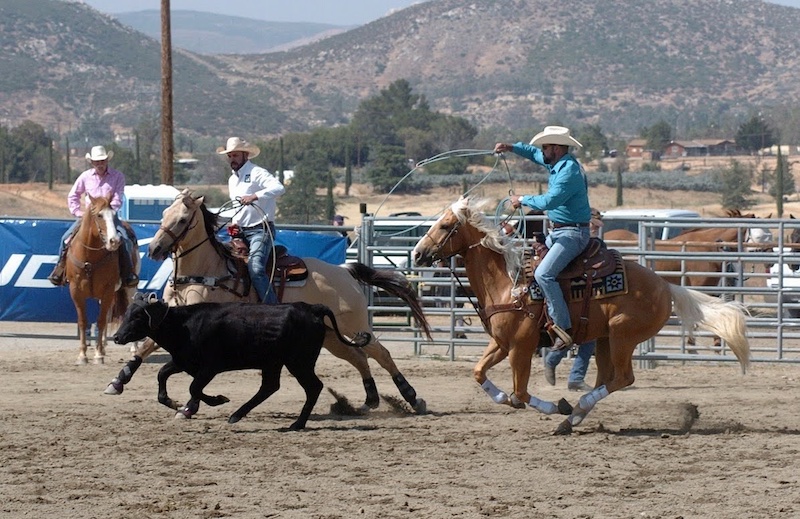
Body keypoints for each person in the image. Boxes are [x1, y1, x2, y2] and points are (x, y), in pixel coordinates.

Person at [494, 125, 591, 351]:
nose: (542, 150)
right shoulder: (558, 163)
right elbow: (533, 153)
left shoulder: (569, 172)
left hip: (573, 233)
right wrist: (511, 147)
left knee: (544, 274)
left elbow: (550, 202)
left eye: (545, 146)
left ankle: (563, 328)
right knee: (527, 263)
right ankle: (535, 320)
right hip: (560, 231)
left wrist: (522, 199)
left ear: (555, 148)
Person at [48, 145, 138, 287]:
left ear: (107, 161)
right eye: (97, 161)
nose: (100, 164)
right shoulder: (85, 177)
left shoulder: (117, 176)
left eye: (102, 161)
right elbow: (73, 195)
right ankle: (60, 269)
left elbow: (118, 196)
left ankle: (128, 273)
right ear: (92, 163)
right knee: (66, 238)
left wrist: (109, 211)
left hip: (109, 216)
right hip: (88, 218)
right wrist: (78, 212)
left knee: (124, 239)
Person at [542, 208, 604, 391]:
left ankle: (573, 376)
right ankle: (568, 372)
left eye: (596, 225)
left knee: (588, 336)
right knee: (582, 332)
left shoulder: (587, 242)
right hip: (582, 293)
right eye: (593, 224)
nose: (595, 228)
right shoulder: (584, 243)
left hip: (583, 291)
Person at [219, 136, 285, 304]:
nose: (232, 159)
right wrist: (233, 231)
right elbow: (236, 208)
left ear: (245, 155)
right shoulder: (232, 179)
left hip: (261, 230)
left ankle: (274, 309)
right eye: (230, 156)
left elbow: (279, 187)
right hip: (240, 231)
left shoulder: (257, 172)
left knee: (256, 269)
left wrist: (255, 196)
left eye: (236, 155)